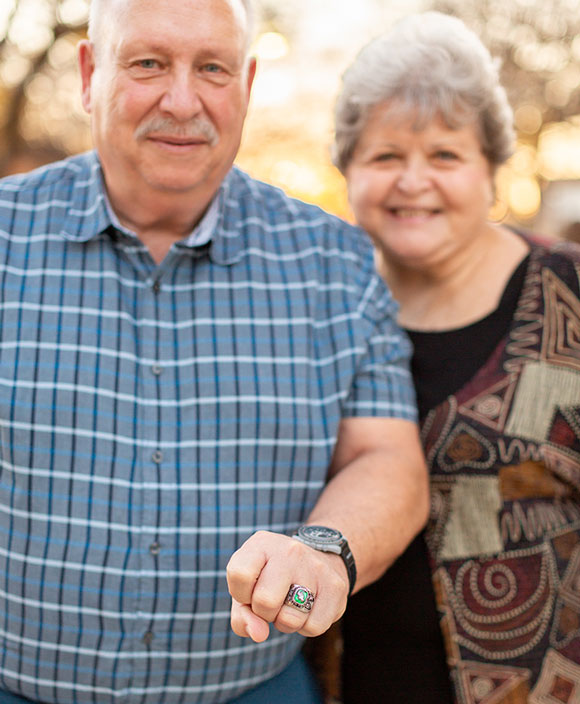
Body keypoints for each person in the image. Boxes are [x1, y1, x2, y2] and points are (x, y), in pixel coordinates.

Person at [0, 1, 430, 703]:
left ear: (247, 85)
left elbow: (388, 460)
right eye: (147, 63)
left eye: (212, 68)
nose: (181, 99)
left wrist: (326, 550)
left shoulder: (336, 262)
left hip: (255, 687)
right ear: (88, 73)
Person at [331, 11, 580, 704]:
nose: (414, 181)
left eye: (445, 155)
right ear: (348, 172)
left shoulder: (568, 293)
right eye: (385, 157)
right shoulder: (325, 310)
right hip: (350, 683)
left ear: (490, 171)